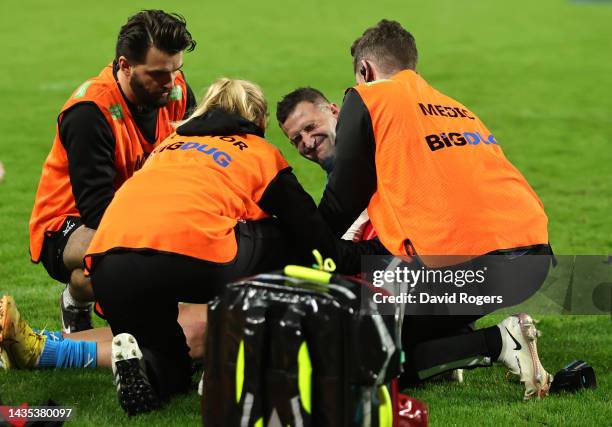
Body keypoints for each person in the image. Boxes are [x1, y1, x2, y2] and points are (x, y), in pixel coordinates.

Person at [82, 78, 385, 415]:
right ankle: (233, 359)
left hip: (108, 262)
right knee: (285, 237)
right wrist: (377, 253)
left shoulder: (166, 146)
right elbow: (316, 242)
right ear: (257, 120)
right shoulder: (258, 152)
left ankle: (144, 367)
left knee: (172, 366)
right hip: (194, 253)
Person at [316, 20, 554, 400]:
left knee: (361, 353)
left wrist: (305, 242)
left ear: (366, 71)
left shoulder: (371, 98)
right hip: (533, 259)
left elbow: (344, 199)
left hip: (467, 267)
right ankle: (453, 348)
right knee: (399, 329)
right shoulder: (454, 107)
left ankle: (498, 342)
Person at [28, 10, 197, 334]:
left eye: (177, 70)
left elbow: (191, 161)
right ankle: (99, 316)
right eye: (159, 74)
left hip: (136, 207)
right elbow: (97, 208)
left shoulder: (175, 90)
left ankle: (79, 297)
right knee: (129, 260)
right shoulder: (89, 113)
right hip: (69, 219)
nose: (172, 83)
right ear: (124, 66)